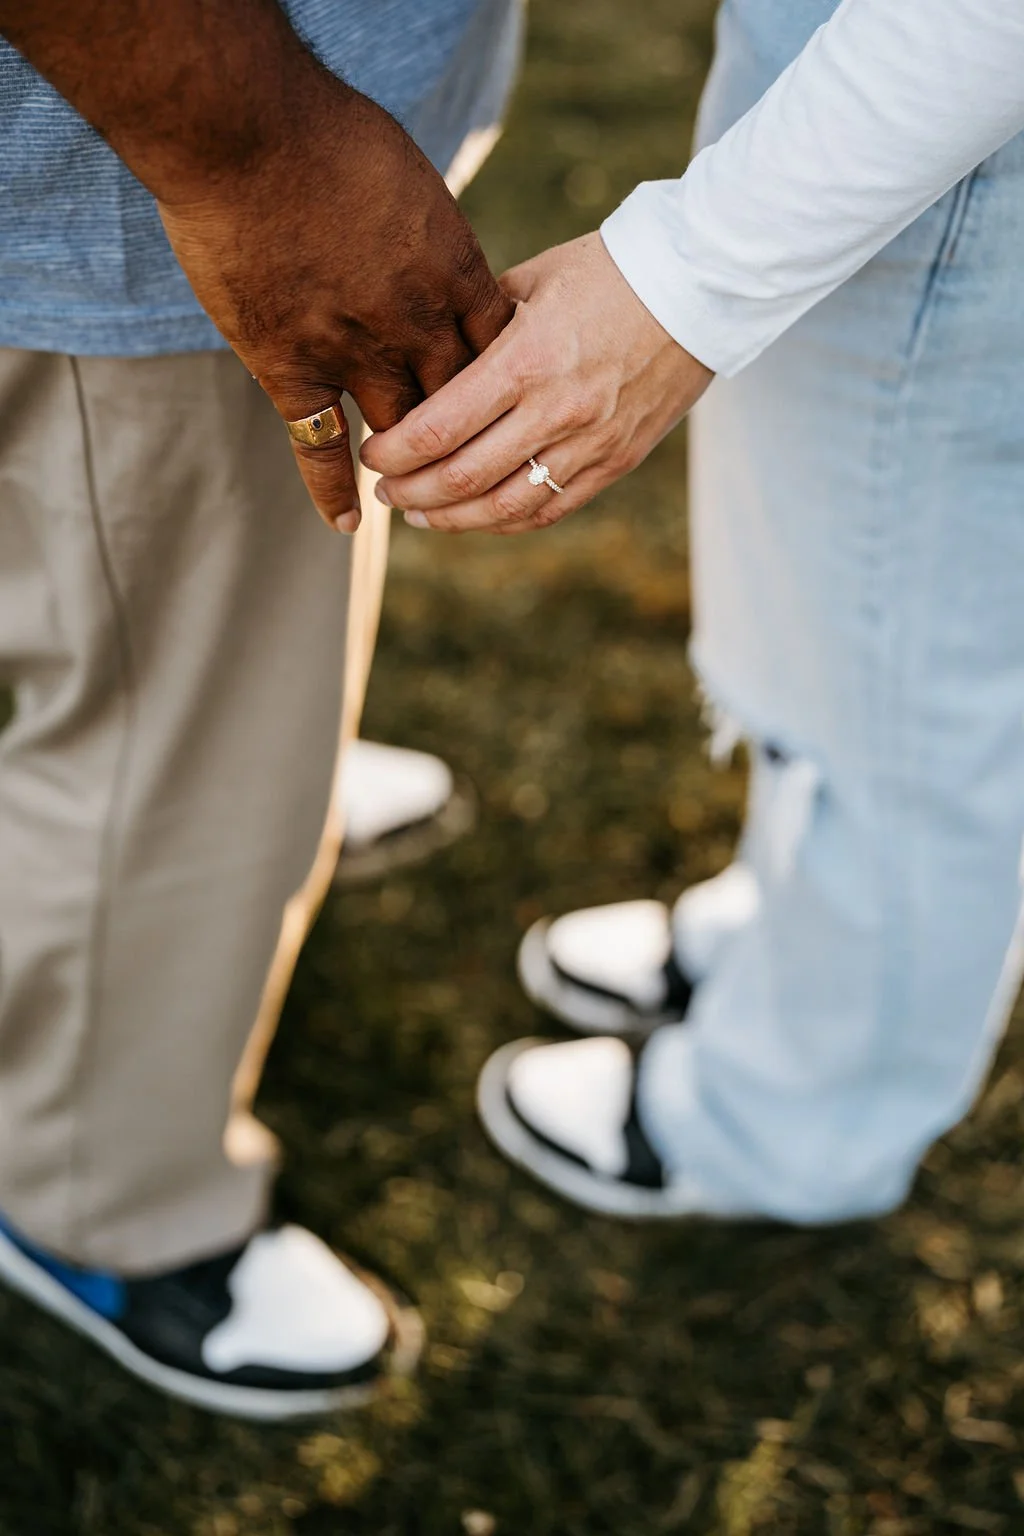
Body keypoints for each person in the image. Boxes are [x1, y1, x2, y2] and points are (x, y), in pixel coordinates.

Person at [367, 0, 1024, 1222]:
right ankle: (792, 928)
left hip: (965, 137)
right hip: (864, 76)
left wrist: (690, 277)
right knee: (825, 581)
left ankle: (798, 1119)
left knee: (905, 663)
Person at [0, 0, 522, 1418]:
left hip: (207, 146)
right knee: (160, 725)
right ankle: (94, 1197)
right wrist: (259, 161)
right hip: (154, 183)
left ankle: (265, 790)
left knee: (166, 642)